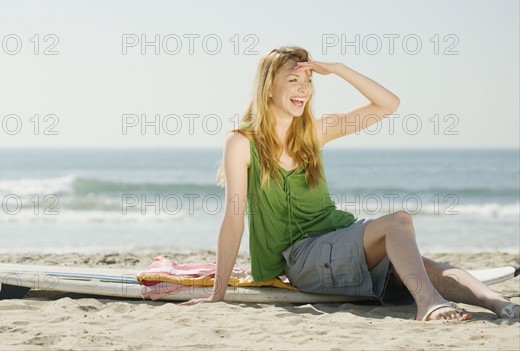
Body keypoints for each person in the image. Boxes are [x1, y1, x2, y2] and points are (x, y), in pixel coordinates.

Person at [179, 46, 519, 321]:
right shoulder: (242, 143)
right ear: (269, 86)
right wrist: (218, 293)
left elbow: (388, 104)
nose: (304, 89)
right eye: (294, 79)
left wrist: (339, 69)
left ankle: (499, 304)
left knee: (422, 266)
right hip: (301, 257)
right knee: (398, 222)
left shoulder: (314, 131)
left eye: (309, 80)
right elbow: (234, 219)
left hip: (338, 237)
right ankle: (428, 303)